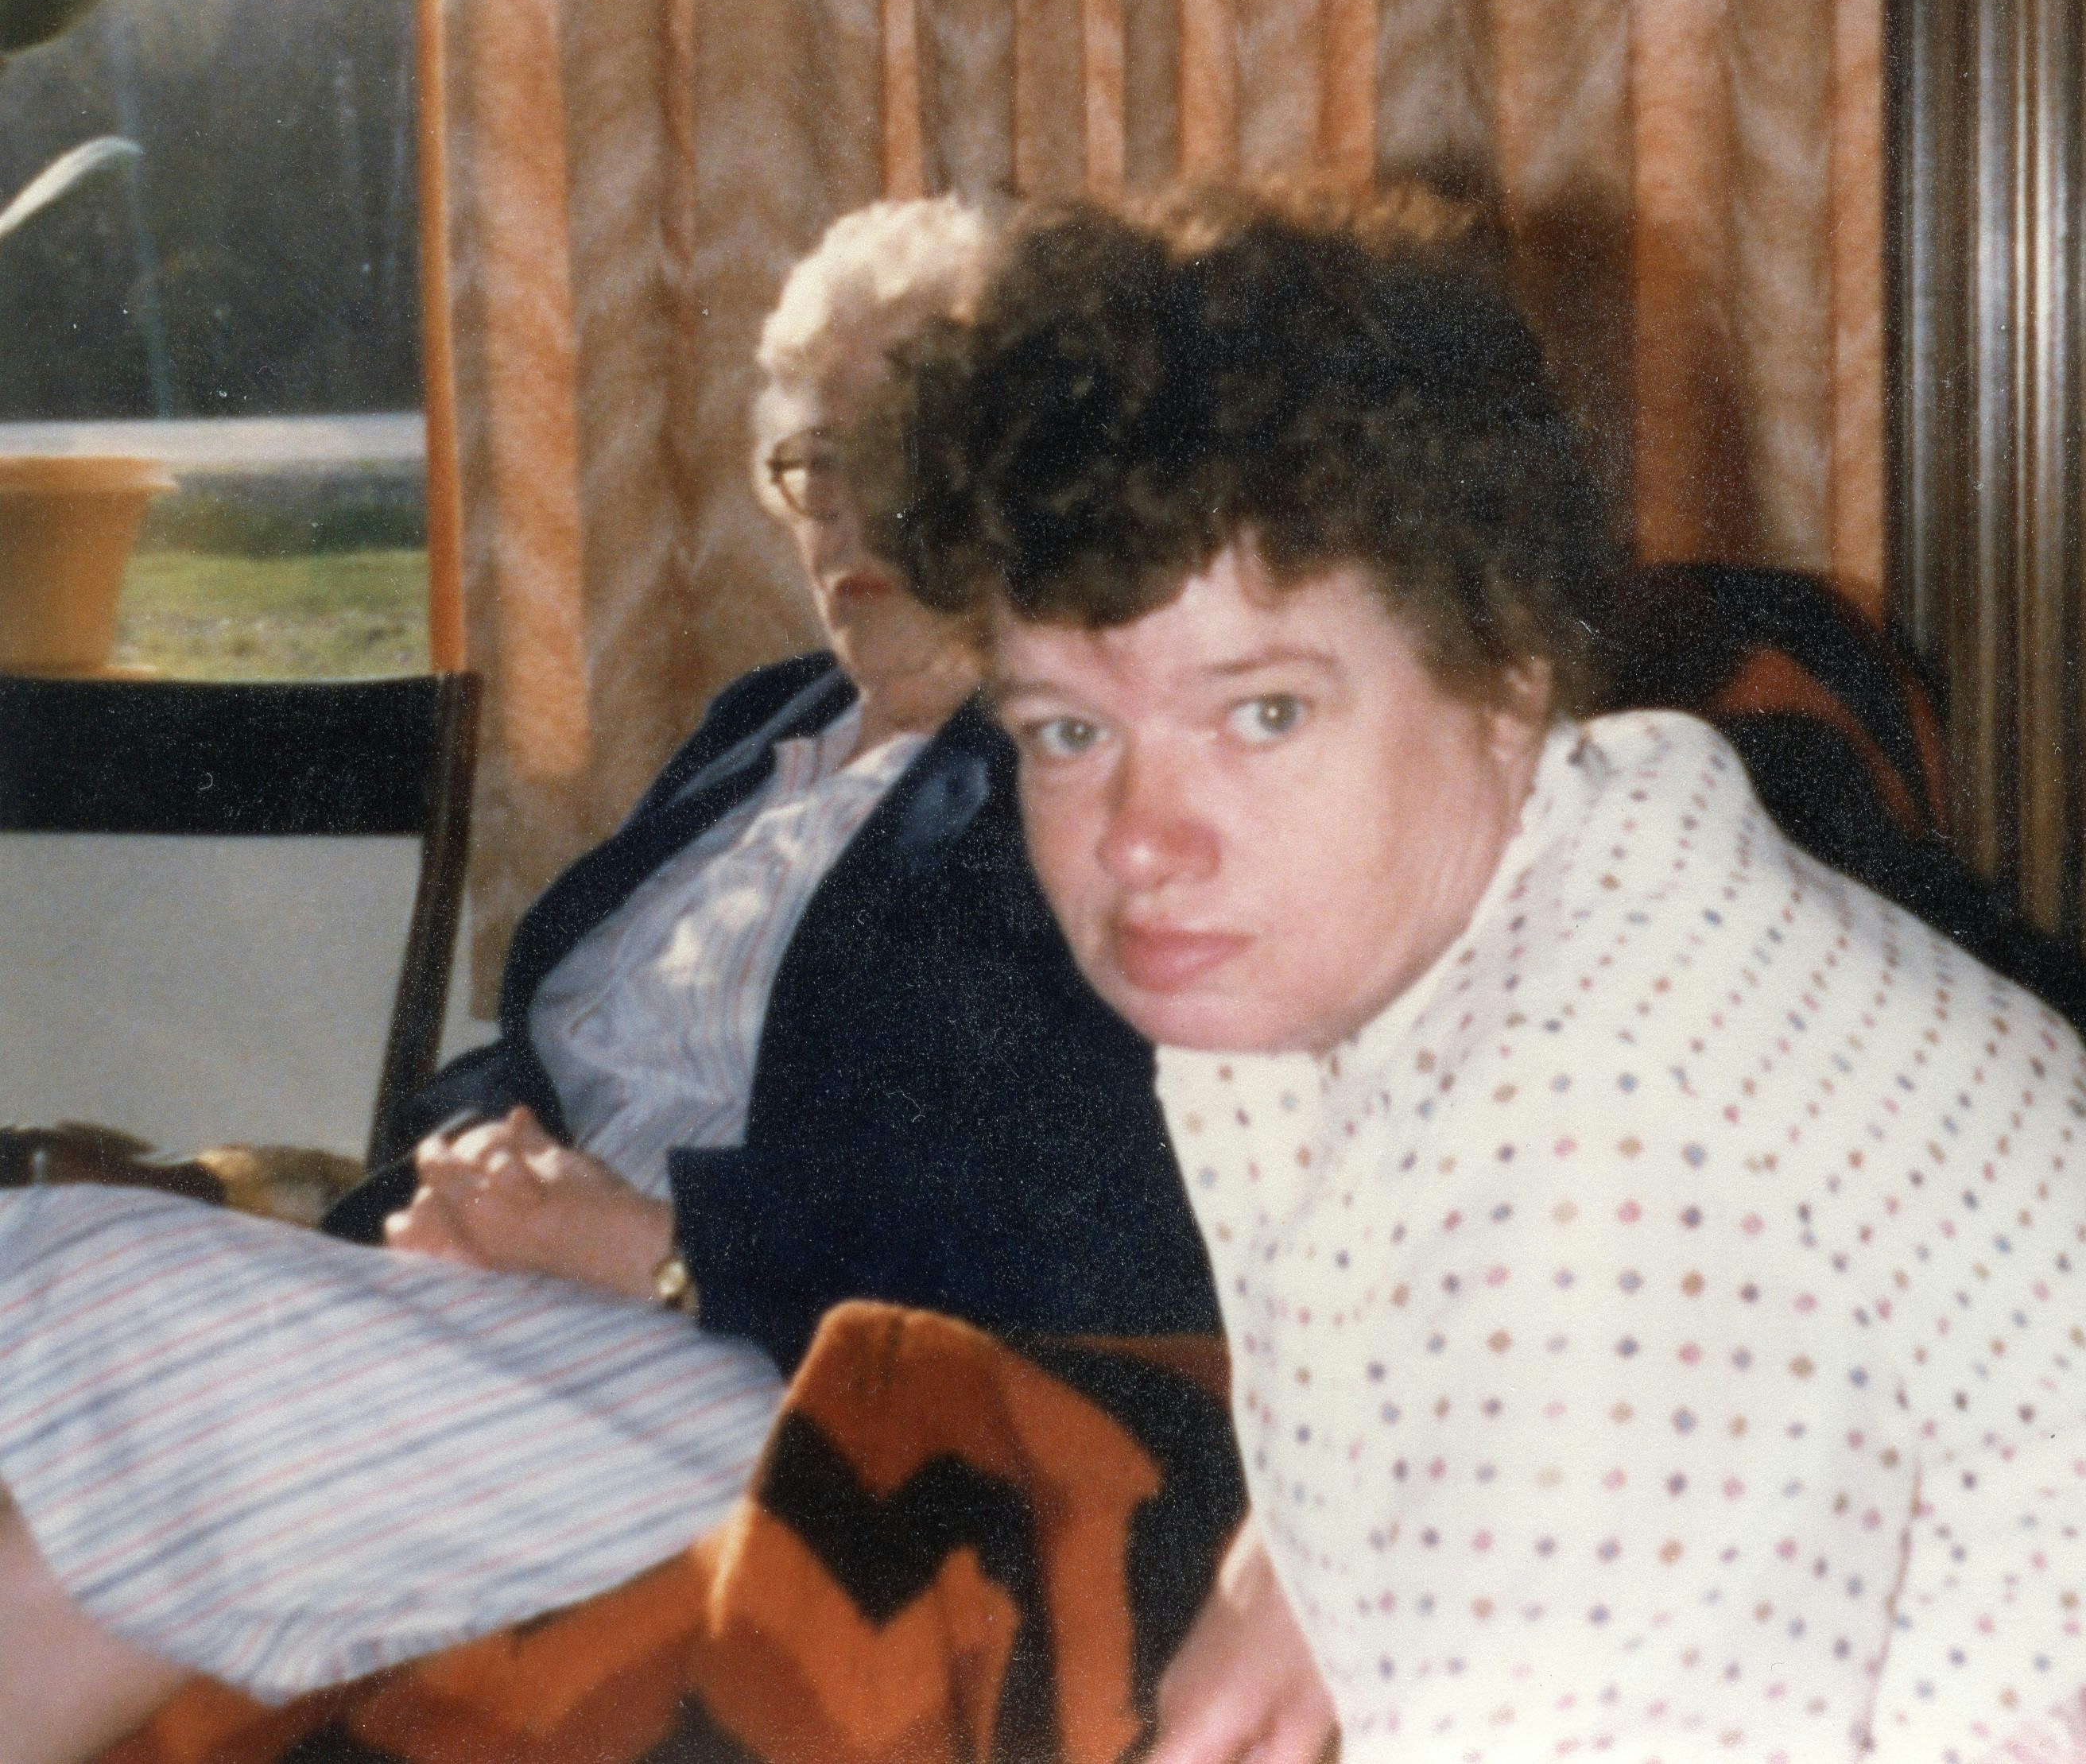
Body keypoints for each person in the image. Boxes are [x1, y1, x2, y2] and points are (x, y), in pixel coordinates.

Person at [890, 185, 2086, 1764]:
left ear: (1504, 671)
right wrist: (1295, 1564)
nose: (1141, 840)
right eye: (1067, 733)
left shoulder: (1615, 1091)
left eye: (1264, 715)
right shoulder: (1380, 932)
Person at [0, 197, 1219, 1764]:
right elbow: (542, 1038)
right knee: (71, 1564)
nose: (848, 518)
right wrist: (478, 1160)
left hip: (780, 1380)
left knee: (75, 1270)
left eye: (900, 458)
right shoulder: (757, 733)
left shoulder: (1072, 781)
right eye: (810, 463)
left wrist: (655, 1244)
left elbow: (1095, 1194)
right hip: (521, 1331)